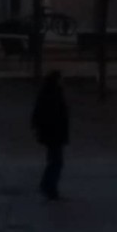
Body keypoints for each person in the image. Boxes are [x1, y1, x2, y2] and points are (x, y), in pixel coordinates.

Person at [31, 70, 69, 200]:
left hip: (52, 133)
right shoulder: (53, 95)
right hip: (54, 134)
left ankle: (47, 185)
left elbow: (37, 114)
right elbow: (54, 115)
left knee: (54, 161)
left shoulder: (48, 93)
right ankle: (49, 187)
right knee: (56, 162)